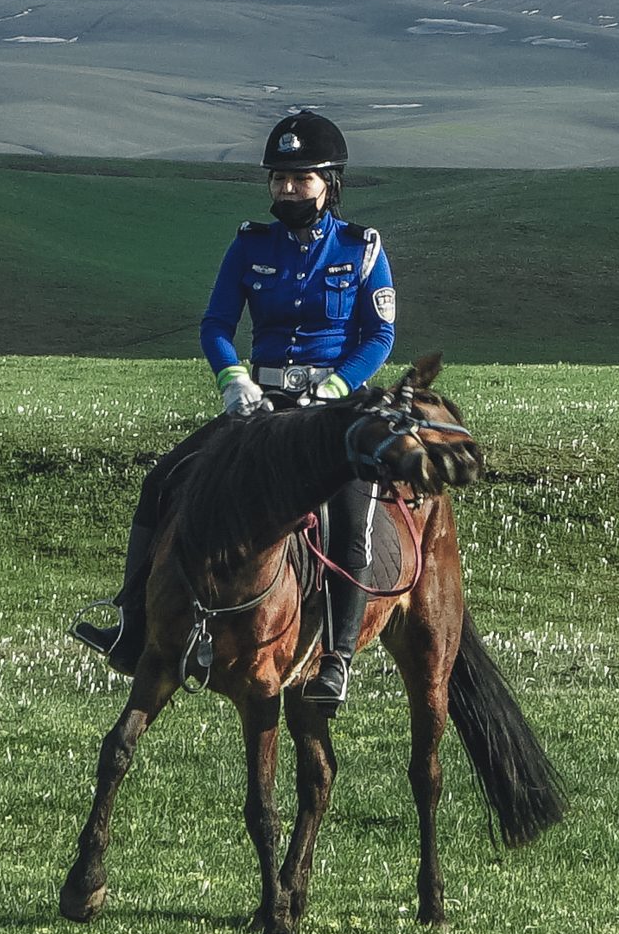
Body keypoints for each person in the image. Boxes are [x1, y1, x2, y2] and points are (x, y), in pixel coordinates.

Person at [71, 107, 400, 697]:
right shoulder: (250, 246)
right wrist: (233, 377)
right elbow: (217, 322)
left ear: (331, 184)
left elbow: (379, 337)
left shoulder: (362, 250)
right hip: (261, 404)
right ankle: (130, 619)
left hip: (331, 406)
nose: (286, 189)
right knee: (165, 478)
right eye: (278, 178)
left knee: (350, 516)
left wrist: (336, 386)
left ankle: (338, 659)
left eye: (300, 179)